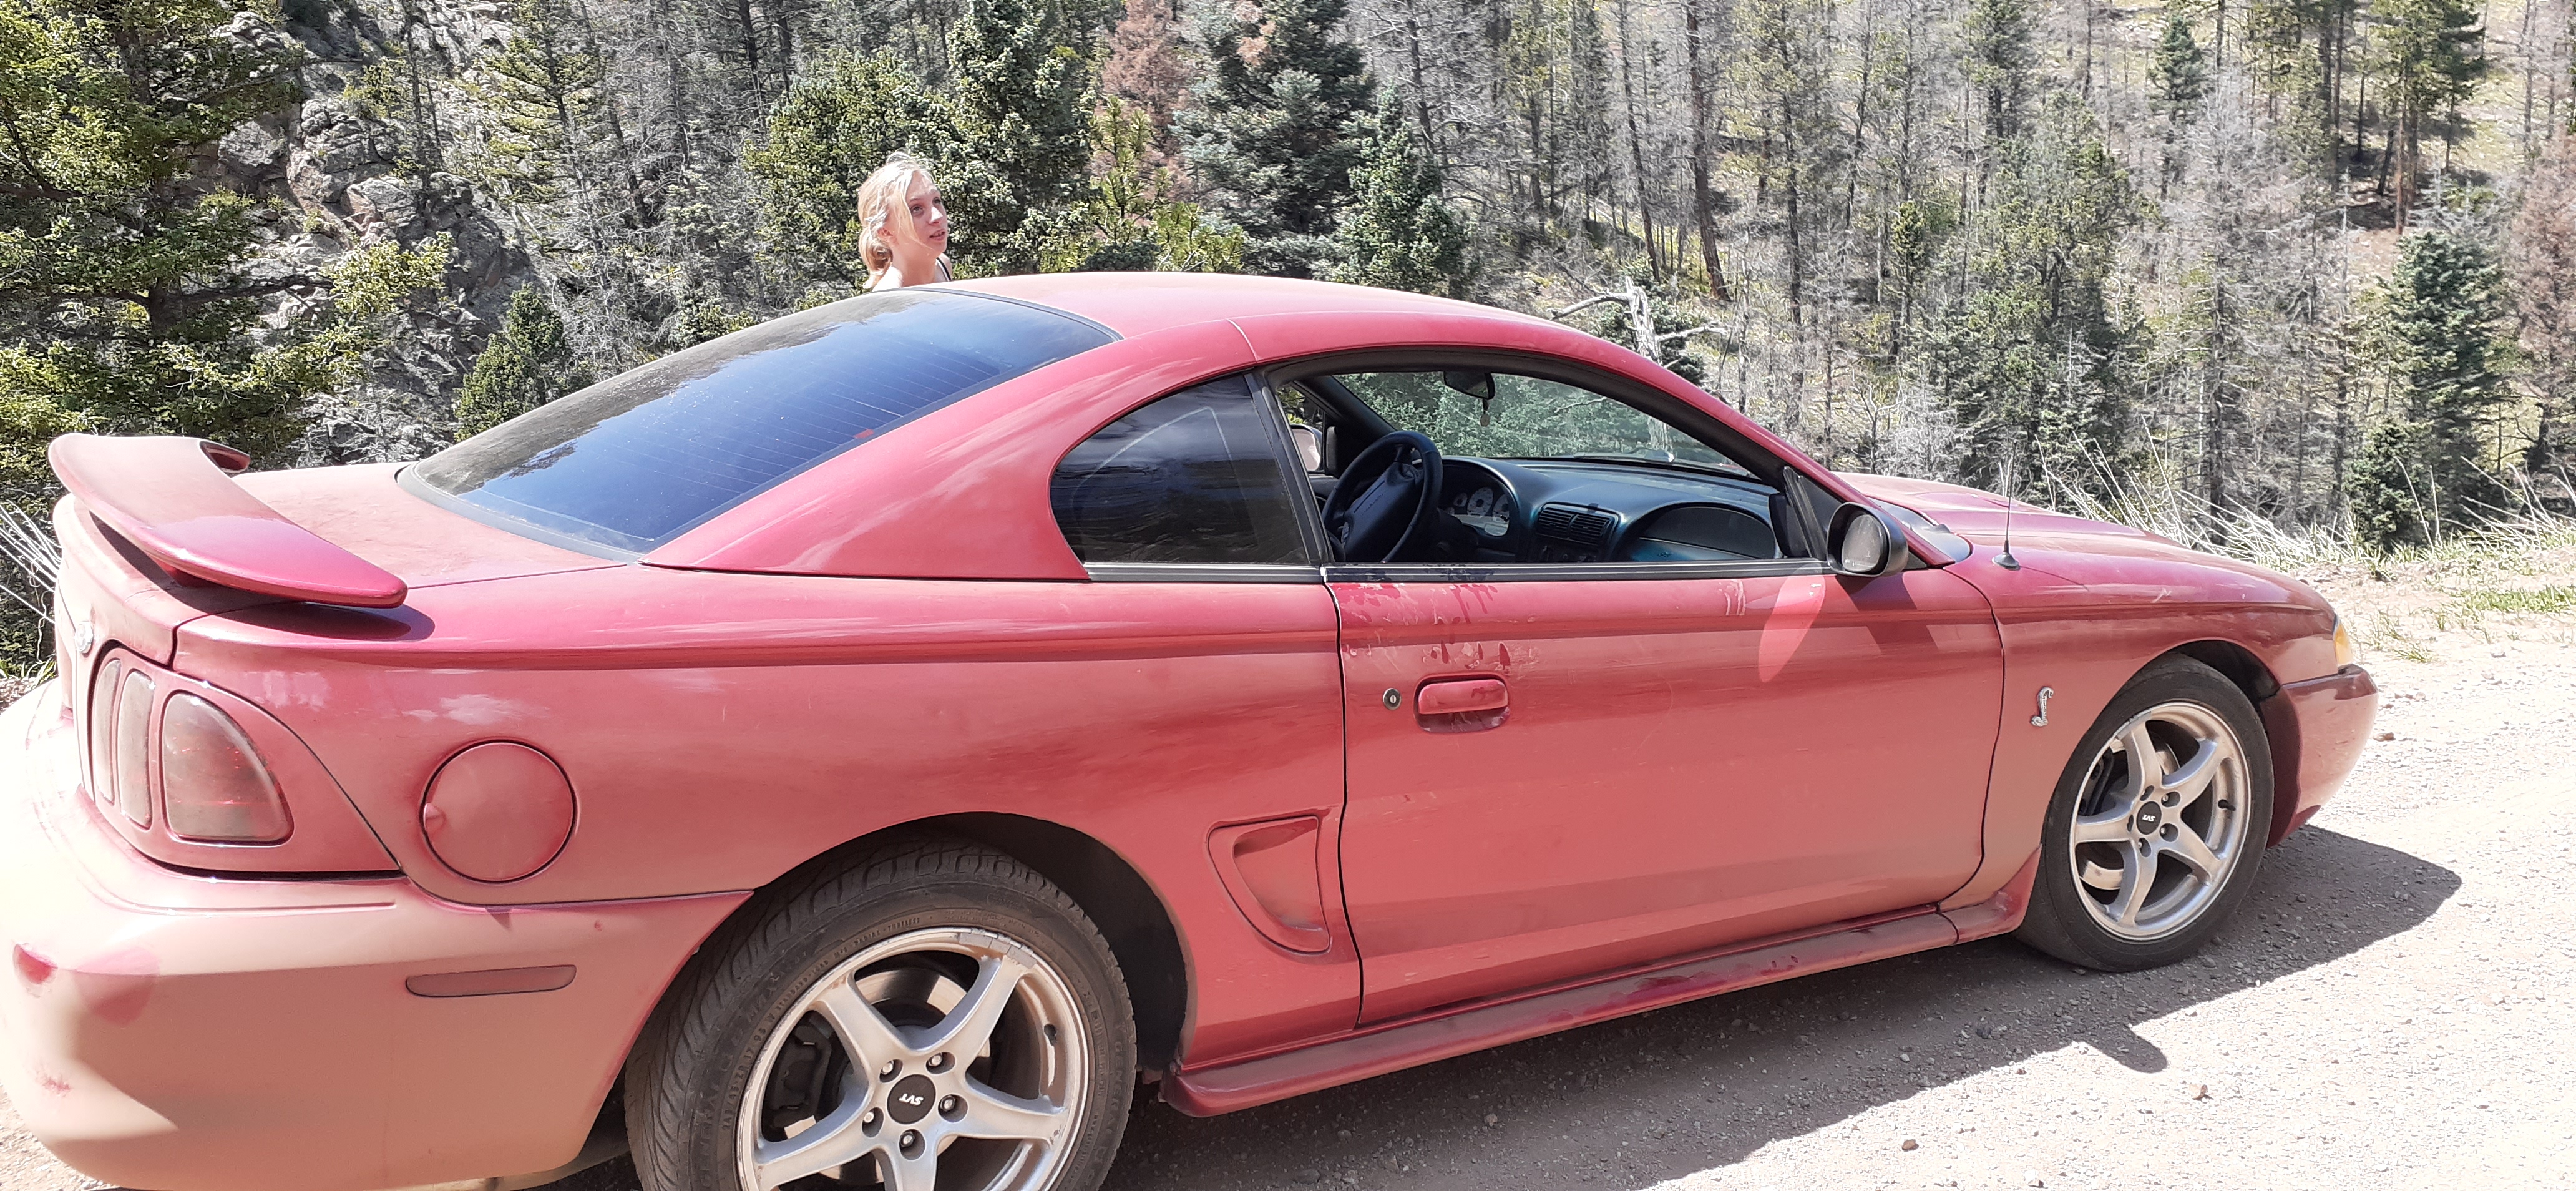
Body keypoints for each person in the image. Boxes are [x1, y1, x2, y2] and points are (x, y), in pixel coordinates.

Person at [856, 152, 954, 290]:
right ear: (885, 231)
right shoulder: (889, 300)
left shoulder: (943, 266)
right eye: (916, 209)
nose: (937, 216)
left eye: (936, 201)